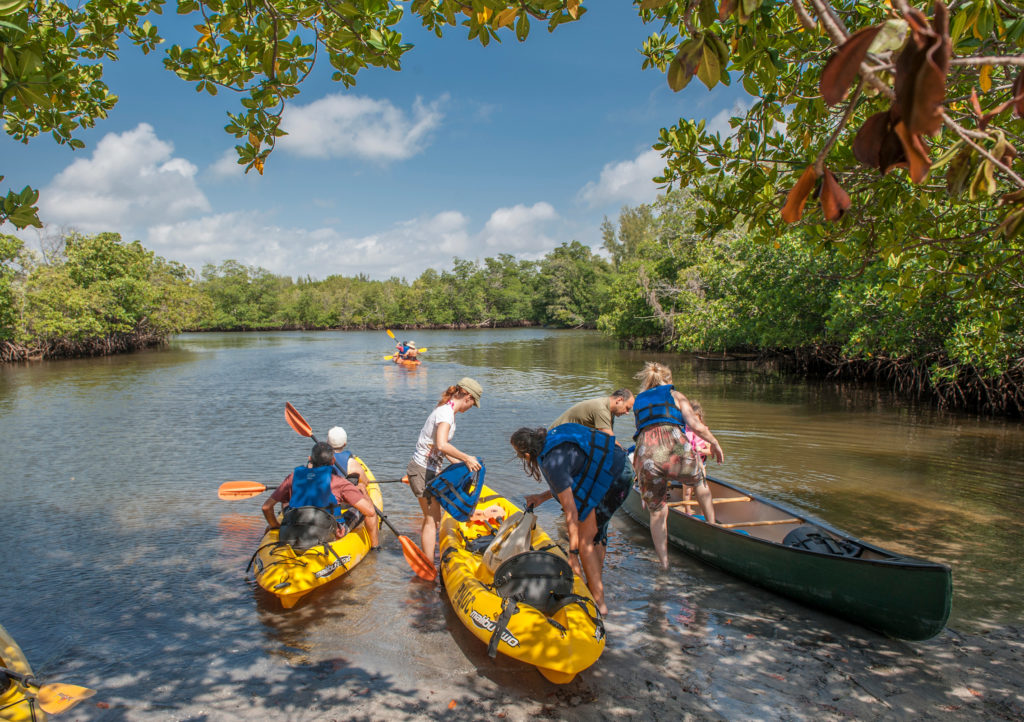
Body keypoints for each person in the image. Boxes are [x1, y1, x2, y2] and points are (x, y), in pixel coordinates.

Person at [510, 423, 634, 615]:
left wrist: (573, 555)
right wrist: (541, 497)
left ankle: (599, 605)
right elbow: (572, 478)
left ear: (527, 455)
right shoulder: (553, 439)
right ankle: (594, 586)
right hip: (620, 466)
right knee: (596, 533)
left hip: (614, 477)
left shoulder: (552, 462)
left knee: (584, 541)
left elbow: (571, 512)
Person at [632, 361, 724, 570]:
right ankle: (712, 527)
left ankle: (664, 563)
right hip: (675, 447)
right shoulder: (676, 395)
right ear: (668, 381)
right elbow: (695, 425)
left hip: (646, 453)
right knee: (699, 481)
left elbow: (644, 427)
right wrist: (714, 443)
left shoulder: (638, 400)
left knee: (657, 511)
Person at [406, 377, 482, 563]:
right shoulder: (446, 413)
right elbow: (441, 444)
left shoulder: (446, 411)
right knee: (431, 520)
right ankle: (429, 563)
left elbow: (440, 447)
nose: (471, 408)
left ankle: (431, 558)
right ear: (468, 397)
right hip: (422, 470)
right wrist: (466, 458)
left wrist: (461, 464)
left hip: (428, 469)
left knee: (435, 518)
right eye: (473, 404)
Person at [262, 441, 380, 548]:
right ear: (333, 461)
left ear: (310, 459)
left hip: (293, 532)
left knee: (285, 499)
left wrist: (275, 525)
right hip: (328, 534)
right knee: (366, 510)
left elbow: (266, 507)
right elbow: (369, 511)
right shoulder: (339, 482)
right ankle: (375, 548)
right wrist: (362, 490)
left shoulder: (293, 477)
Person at [550, 389, 634, 436]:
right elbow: (608, 437)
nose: (627, 413)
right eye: (627, 408)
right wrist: (623, 450)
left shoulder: (610, 412)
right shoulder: (601, 409)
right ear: (619, 400)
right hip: (554, 436)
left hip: (569, 436)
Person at [679, 401, 710, 515]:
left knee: (701, 492)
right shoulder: (683, 431)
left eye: (696, 420)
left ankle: (703, 514)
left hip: (701, 465)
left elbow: (710, 451)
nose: (693, 424)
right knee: (687, 491)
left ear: (700, 419)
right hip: (686, 466)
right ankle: (687, 513)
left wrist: (701, 450)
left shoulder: (704, 432)